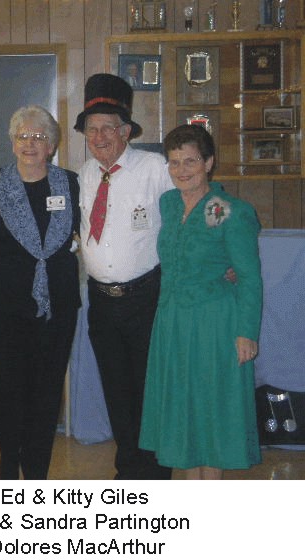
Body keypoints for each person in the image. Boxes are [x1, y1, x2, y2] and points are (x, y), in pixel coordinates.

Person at [139, 125, 262, 480]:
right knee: (184, 411)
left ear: (208, 163)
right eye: (174, 162)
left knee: (211, 411)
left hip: (214, 324)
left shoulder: (227, 210)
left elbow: (249, 277)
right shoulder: (169, 203)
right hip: (172, 322)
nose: (182, 170)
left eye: (190, 161)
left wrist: (246, 333)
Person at [0, 106, 80, 479]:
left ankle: (36, 473)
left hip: (57, 308)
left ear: (52, 145)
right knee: (9, 391)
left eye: (39, 137)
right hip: (6, 307)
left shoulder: (70, 183)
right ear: (13, 142)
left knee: (47, 392)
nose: (30, 144)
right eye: (23, 136)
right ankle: (7, 464)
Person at [74, 73, 173, 480]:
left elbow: (190, 207)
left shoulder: (155, 169)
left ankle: (155, 473)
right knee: (115, 388)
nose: (99, 137)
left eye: (108, 128)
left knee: (149, 389)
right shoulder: (84, 175)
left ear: (126, 131)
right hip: (101, 302)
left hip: (146, 298)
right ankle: (128, 468)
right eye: (91, 129)